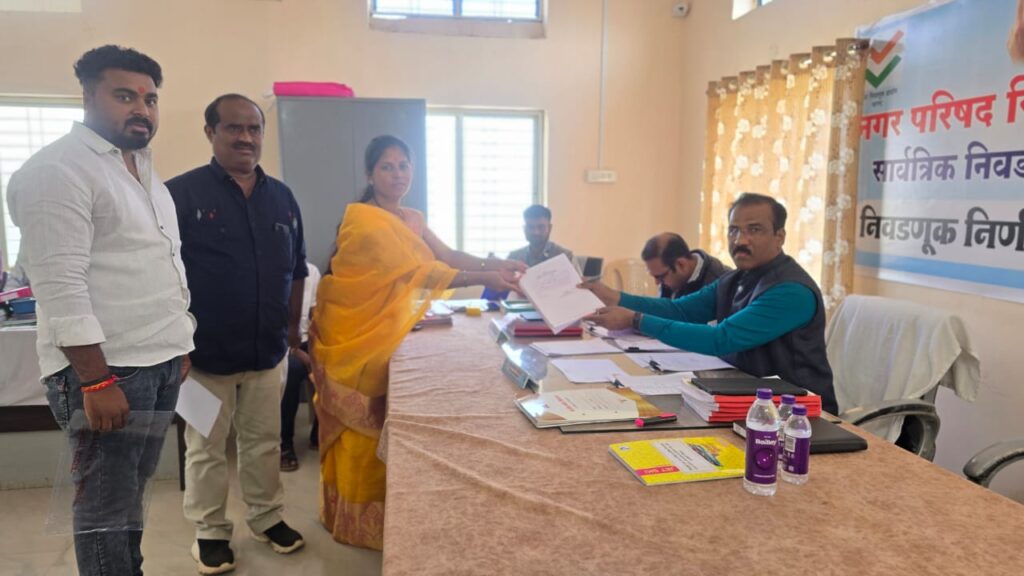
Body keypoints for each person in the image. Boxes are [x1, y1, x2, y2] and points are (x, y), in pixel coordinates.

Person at [7, 45, 195, 576]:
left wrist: (179, 345)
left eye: (150, 99)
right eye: (125, 96)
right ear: (88, 96)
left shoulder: (144, 173)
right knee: (105, 509)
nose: (142, 109)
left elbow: (162, 265)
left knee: (131, 494)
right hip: (108, 370)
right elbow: (60, 286)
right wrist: (95, 380)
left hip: (157, 361)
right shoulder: (58, 170)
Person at [311, 135, 524, 550]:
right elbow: (418, 275)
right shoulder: (363, 220)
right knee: (360, 428)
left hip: (391, 329)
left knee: (385, 416)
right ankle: (352, 521)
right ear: (370, 174)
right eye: (387, 167)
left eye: (404, 166)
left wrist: (498, 264)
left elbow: (448, 258)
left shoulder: (413, 218)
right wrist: (484, 277)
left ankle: (391, 519)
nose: (397, 175)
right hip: (355, 331)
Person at [167, 94, 306, 574]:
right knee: (205, 448)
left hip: (268, 352)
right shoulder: (179, 195)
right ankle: (209, 531)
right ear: (211, 132)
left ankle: (267, 518)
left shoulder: (282, 197)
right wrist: (175, 346)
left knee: (264, 441)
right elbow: (161, 277)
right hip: (202, 356)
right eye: (233, 127)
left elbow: (297, 270)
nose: (246, 137)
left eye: (254, 128)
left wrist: (292, 334)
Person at [582, 193, 837, 414]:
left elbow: (721, 338)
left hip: (799, 415)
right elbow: (681, 310)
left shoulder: (791, 291)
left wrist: (635, 320)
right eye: (733, 230)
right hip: (749, 399)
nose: (740, 240)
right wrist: (614, 297)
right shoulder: (736, 278)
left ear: (779, 236)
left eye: (754, 230)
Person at [280, 262, 321, 472]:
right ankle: (284, 444)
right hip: (281, 345)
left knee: (333, 367)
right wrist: (296, 352)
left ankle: (319, 434)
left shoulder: (311, 271)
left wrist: (317, 351)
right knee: (292, 371)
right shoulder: (270, 270)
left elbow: (316, 317)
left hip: (306, 341)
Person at [641, 232, 730, 299]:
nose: (657, 283)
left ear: (681, 265)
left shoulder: (722, 284)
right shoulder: (671, 279)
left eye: (660, 277)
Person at [507, 204, 573, 267]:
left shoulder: (565, 257)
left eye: (541, 227)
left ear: (549, 228)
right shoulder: (514, 258)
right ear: (524, 229)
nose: (536, 232)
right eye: (530, 227)